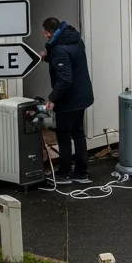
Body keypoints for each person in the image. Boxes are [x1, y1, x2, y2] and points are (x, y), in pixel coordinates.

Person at [42, 17, 94, 186]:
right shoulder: (75, 39)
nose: (44, 36)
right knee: (78, 133)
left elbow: (64, 78)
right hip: (82, 96)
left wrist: (52, 98)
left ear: (49, 32)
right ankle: (81, 172)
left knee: (63, 135)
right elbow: (68, 59)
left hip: (69, 100)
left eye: (45, 33)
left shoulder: (59, 50)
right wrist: (47, 56)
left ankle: (64, 173)